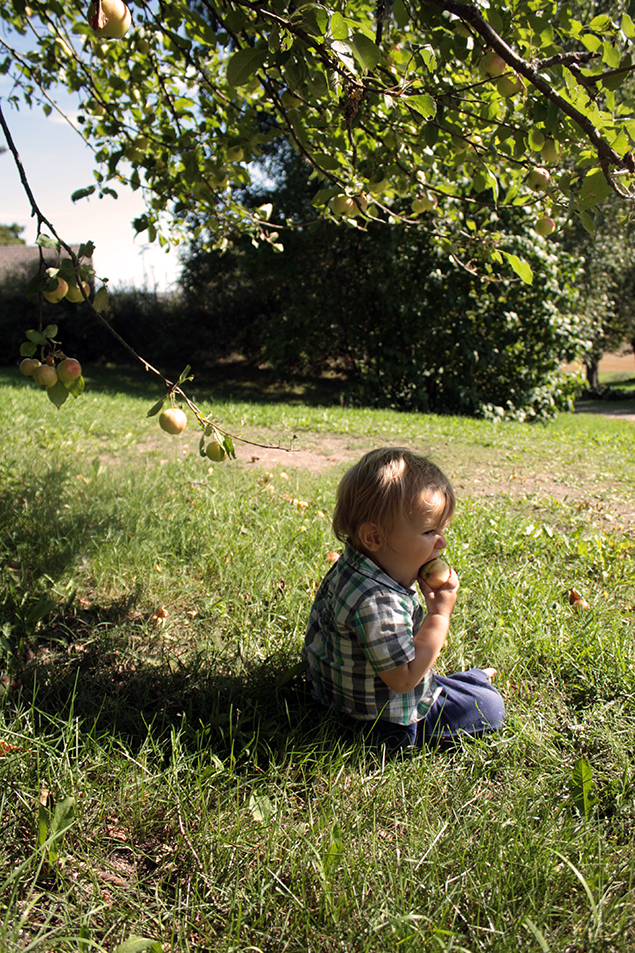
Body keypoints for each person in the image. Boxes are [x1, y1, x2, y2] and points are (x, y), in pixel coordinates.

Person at [303, 447, 505, 752]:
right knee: (489, 707)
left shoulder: (356, 568)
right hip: (379, 722)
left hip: (333, 695)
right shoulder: (378, 602)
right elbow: (405, 678)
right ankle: (468, 686)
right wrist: (439, 615)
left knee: (451, 686)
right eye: (429, 531)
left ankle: (465, 682)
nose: (442, 542)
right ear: (374, 537)